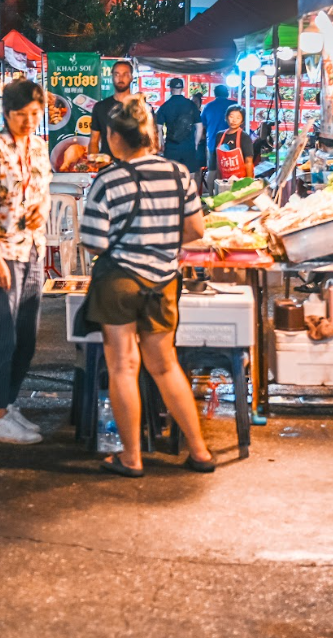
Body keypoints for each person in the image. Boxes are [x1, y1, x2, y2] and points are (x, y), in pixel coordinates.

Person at [80, 96, 214, 476]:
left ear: (114, 138)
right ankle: (200, 452)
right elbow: (195, 232)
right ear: (151, 136)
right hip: (164, 282)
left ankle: (132, 457)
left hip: (119, 280)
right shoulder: (178, 174)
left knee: (123, 367)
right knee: (166, 365)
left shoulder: (108, 180)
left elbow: (93, 241)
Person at [0, 78, 51, 445]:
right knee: (1, 336)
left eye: (35, 114)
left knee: (27, 338)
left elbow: (44, 194)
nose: (30, 121)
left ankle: (9, 400)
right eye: (22, 115)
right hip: (2, 254)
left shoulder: (39, 147)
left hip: (33, 249)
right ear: (7, 114)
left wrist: (41, 211)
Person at [154, 77, 205, 177]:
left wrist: (162, 144)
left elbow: (158, 129)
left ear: (170, 88)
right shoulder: (191, 105)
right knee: (190, 176)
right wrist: (195, 143)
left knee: (171, 176)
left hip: (171, 147)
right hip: (189, 147)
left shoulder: (165, 106)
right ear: (182, 89)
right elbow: (199, 127)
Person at [88, 60, 136, 157]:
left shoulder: (141, 108)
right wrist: (94, 162)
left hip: (133, 167)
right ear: (112, 77)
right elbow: (94, 141)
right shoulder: (100, 107)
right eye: (117, 74)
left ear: (131, 78)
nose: (120, 78)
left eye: (125, 74)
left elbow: (150, 143)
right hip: (107, 166)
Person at [210, 105, 250, 186]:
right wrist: (218, 180)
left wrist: (249, 182)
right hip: (223, 180)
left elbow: (248, 161)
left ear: (242, 121)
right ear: (226, 117)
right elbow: (217, 160)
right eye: (231, 116)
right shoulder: (219, 135)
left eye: (238, 118)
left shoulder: (244, 136)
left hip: (240, 180)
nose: (234, 120)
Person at [200, 84, 235, 171]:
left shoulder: (208, 106)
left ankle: (211, 185)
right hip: (231, 143)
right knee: (229, 171)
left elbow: (202, 125)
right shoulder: (233, 105)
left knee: (212, 171)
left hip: (212, 142)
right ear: (227, 93)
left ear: (215, 94)